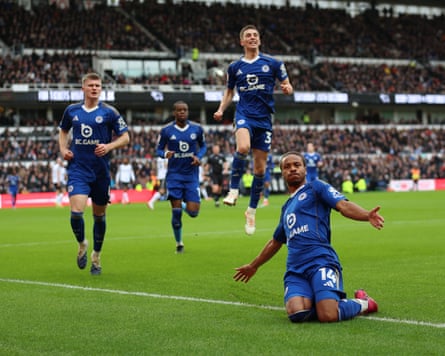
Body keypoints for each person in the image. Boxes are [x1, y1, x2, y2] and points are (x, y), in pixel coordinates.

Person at [233, 151, 384, 323]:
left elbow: (343, 205)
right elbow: (275, 242)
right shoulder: (286, 207)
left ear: (305, 168)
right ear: (282, 173)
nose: (292, 169)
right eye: (287, 167)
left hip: (321, 260)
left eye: (297, 165)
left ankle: (363, 302)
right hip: (296, 269)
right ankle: (323, 299)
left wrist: (366, 215)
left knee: (328, 315)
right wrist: (254, 266)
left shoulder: (317, 188)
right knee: (297, 314)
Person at [213, 24, 293, 235]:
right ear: (242, 41)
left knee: (259, 169)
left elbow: (287, 85)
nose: (252, 37)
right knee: (242, 147)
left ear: (259, 39)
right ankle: (232, 191)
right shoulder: (235, 67)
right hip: (244, 115)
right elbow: (229, 92)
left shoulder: (274, 63)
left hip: (264, 119)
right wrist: (221, 109)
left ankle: (251, 211)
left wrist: (286, 88)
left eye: (255, 35)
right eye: (248, 35)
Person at [58, 72, 130, 275]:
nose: (95, 88)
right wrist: (63, 150)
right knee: (76, 213)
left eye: (97, 85)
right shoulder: (72, 111)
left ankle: (96, 257)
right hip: (78, 169)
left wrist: (109, 146)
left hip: (100, 172)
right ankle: (82, 244)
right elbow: (63, 131)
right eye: (91, 85)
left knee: (99, 216)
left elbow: (125, 137)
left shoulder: (110, 112)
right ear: (83, 88)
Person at [155, 101, 206, 253]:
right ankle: (179, 243)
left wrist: (199, 156)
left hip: (191, 176)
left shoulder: (197, 129)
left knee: (193, 213)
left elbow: (203, 146)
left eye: (185, 110)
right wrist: (164, 154)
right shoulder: (166, 131)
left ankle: (184, 205)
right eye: (179, 110)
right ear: (174, 112)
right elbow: (158, 149)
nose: (182, 112)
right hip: (174, 176)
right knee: (176, 215)